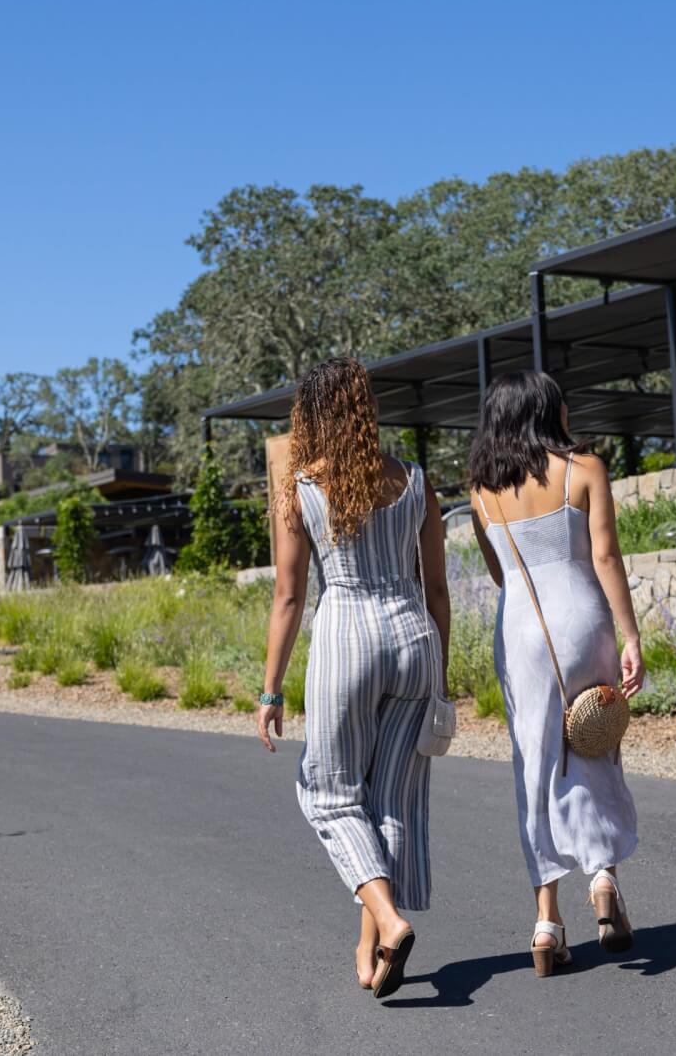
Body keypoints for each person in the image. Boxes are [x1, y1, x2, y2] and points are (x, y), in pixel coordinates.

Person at [258, 356, 451, 1000]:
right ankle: (371, 945)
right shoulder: (415, 481)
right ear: (365, 409)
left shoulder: (301, 489)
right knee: (390, 797)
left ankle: (390, 922)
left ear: (309, 414)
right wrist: (440, 675)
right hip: (414, 639)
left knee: (329, 794)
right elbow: (439, 591)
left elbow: (289, 596)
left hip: (347, 638)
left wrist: (270, 688)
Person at [466, 371, 643, 977]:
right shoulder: (583, 469)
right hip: (583, 618)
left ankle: (546, 920)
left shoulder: (481, 492)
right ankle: (602, 877)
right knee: (592, 741)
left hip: (521, 632)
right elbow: (605, 556)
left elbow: (497, 574)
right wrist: (631, 633)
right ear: (547, 410)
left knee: (535, 763)